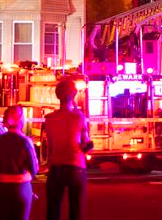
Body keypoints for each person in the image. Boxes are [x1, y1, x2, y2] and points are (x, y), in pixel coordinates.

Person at [41, 78, 92, 220]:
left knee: (53, 209)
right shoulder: (79, 117)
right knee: (76, 210)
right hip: (76, 167)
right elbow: (86, 144)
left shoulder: (49, 119)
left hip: (56, 168)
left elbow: (49, 145)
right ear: (74, 95)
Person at [0, 105, 39, 220]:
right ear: (20, 120)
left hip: (3, 188)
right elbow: (34, 169)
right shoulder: (25, 141)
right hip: (21, 188)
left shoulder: (0, 140)